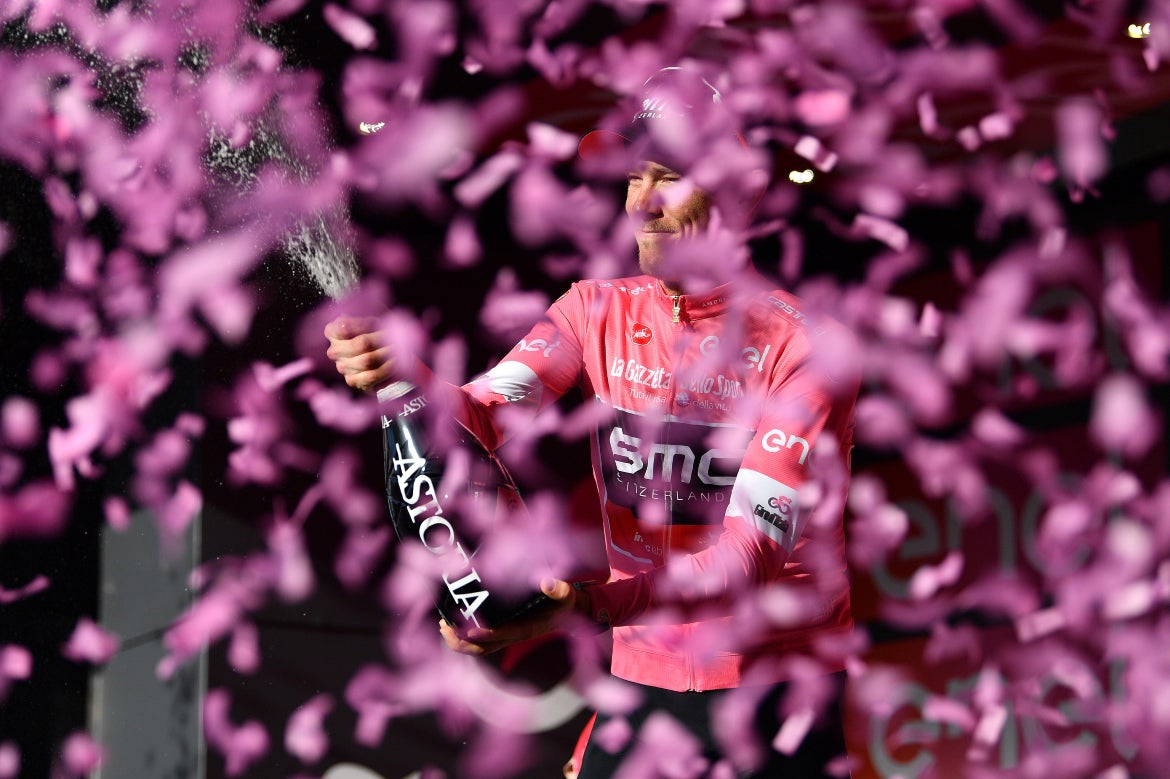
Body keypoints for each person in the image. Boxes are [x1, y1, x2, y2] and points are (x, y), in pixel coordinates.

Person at [326, 67, 859, 778]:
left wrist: (586, 604)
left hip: (778, 695)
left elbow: (746, 560)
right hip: (642, 677)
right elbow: (482, 414)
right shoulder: (594, 309)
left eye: (670, 177)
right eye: (636, 178)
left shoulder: (805, 346)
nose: (644, 203)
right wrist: (404, 372)